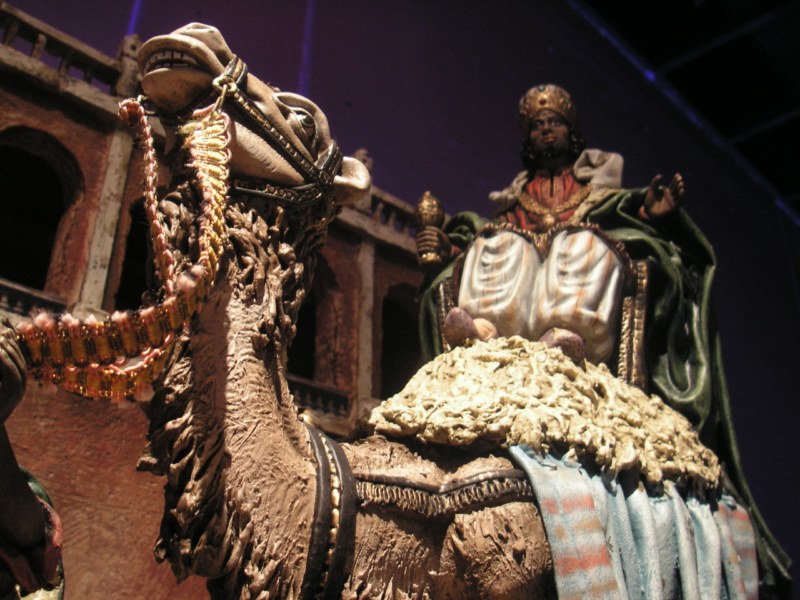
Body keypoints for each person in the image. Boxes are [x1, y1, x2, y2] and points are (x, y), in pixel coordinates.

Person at [416, 83, 791, 596]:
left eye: (554, 124)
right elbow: (473, 245)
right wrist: (451, 247)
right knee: (497, 244)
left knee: (583, 243)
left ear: (572, 134)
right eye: (537, 126)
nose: (546, 132)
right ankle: (481, 331)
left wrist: (654, 216)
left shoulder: (601, 200)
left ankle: (570, 340)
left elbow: (643, 233)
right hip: (507, 329)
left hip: (573, 338)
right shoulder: (512, 207)